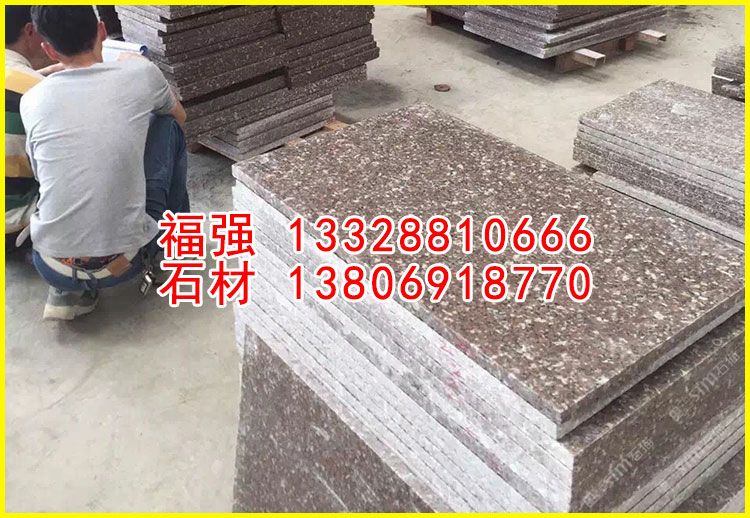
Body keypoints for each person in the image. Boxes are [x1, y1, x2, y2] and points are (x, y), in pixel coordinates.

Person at [20, 6, 189, 321]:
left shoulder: (32, 99)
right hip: (126, 263)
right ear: (101, 31)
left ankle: (68, 291)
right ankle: (174, 246)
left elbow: (41, 174)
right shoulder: (140, 74)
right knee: (167, 127)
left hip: (50, 263)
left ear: (49, 50)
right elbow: (179, 116)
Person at [5, 5, 61, 253]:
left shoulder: (25, 83)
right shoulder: (38, 91)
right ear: (30, 31)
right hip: (14, 227)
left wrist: (37, 75)